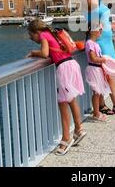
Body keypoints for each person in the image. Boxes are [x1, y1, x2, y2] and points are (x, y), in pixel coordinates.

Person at [27, 19, 86, 156]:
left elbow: (45, 53)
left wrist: (34, 53)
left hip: (64, 68)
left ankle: (66, 139)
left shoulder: (43, 35)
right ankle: (79, 129)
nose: (32, 38)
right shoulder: (53, 33)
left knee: (63, 104)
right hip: (72, 64)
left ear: (36, 32)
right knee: (71, 100)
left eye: (31, 36)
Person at [85, 23, 112, 122]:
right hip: (93, 69)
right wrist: (103, 60)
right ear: (93, 31)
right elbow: (92, 58)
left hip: (98, 69)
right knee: (96, 92)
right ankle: (96, 113)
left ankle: (97, 111)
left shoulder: (96, 44)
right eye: (100, 29)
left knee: (99, 92)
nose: (101, 31)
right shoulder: (89, 43)